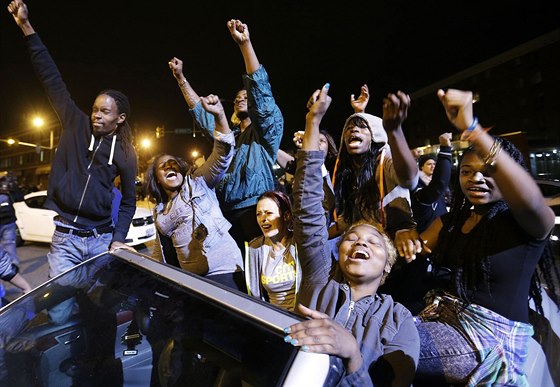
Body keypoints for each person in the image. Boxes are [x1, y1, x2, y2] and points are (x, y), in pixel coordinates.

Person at [407, 89, 560, 385]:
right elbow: (412, 246)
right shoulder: (454, 220)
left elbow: (531, 200)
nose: (475, 179)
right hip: (444, 317)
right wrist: (398, 237)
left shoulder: (526, 222)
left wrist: (473, 131)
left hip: (490, 340)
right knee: (374, 327)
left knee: (385, 346)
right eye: (467, 172)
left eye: (487, 172)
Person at [8, 0, 137, 323]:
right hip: (65, 238)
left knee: (99, 314)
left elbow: (129, 202)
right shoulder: (75, 123)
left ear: (119, 118)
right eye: (95, 108)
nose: (96, 114)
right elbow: (51, 77)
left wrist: (118, 239)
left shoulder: (124, 153)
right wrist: (26, 26)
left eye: (104, 111)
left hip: (100, 241)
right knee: (62, 313)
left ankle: (98, 365)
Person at [284, 84, 419, 386]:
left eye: (372, 242)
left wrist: (352, 356)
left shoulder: (399, 320)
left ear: (387, 264)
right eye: (352, 239)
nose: (360, 242)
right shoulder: (319, 284)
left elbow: (408, 179)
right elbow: (310, 210)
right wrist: (312, 122)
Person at [168, 19, 283, 255]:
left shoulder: (264, 136)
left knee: (260, 268)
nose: (241, 98)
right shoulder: (231, 137)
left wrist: (245, 44)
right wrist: (180, 78)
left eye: (246, 96)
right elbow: (201, 113)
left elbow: (261, 93)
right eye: (237, 97)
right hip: (223, 213)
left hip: (256, 210)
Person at [144, 94, 244, 291]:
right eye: (163, 166)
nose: (169, 166)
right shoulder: (160, 211)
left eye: (173, 163)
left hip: (222, 270)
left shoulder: (198, 182)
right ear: (157, 178)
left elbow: (223, 152)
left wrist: (220, 115)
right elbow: (160, 250)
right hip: (191, 280)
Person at [245, 190, 301, 311]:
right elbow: (255, 295)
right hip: (273, 320)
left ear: (286, 216)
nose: (263, 219)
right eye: (258, 214)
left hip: (302, 318)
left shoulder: (299, 242)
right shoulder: (255, 248)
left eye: (268, 213)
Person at [276, 129, 338, 224]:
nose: (316, 143)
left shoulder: (335, 171)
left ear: (329, 149)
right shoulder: (302, 169)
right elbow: (275, 151)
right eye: (314, 140)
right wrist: (307, 145)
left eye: (321, 141)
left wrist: (314, 151)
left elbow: (329, 203)